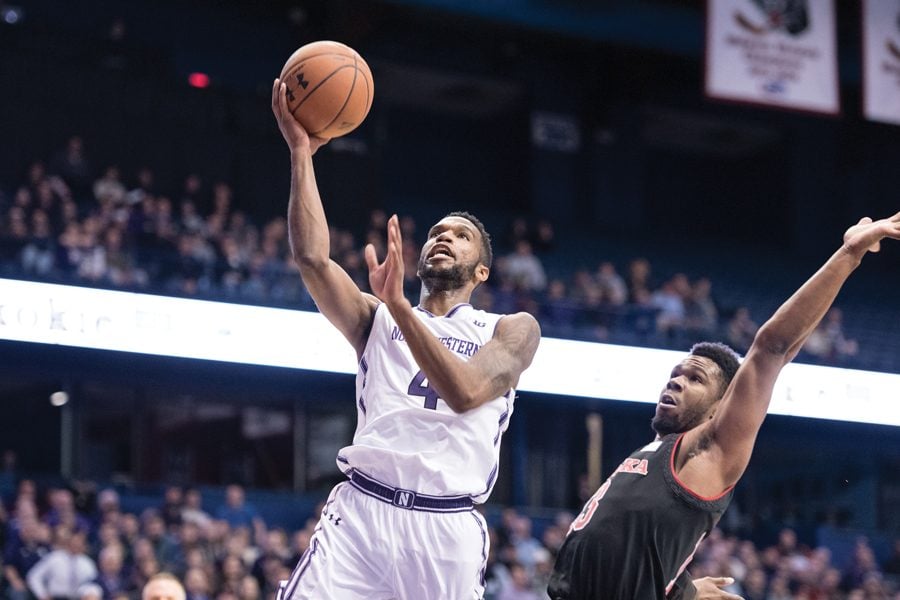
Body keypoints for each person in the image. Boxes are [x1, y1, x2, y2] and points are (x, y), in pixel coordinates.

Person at [271, 78, 541, 600]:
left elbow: (465, 393)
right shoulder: (377, 319)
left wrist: (398, 305)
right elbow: (312, 259)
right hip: (363, 514)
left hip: (446, 528)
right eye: (438, 231)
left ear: (482, 271)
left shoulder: (511, 327)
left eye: (460, 235)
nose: (444, 237)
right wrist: (302, 152)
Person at [547, 212, 900, 600]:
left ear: (720, 407)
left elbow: (773, 349)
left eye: (695, 378)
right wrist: (682, 590)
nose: (677, 380)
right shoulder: (654, 452)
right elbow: (633, 562)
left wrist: (849, 253)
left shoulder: (709, 450)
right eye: (677, 373)